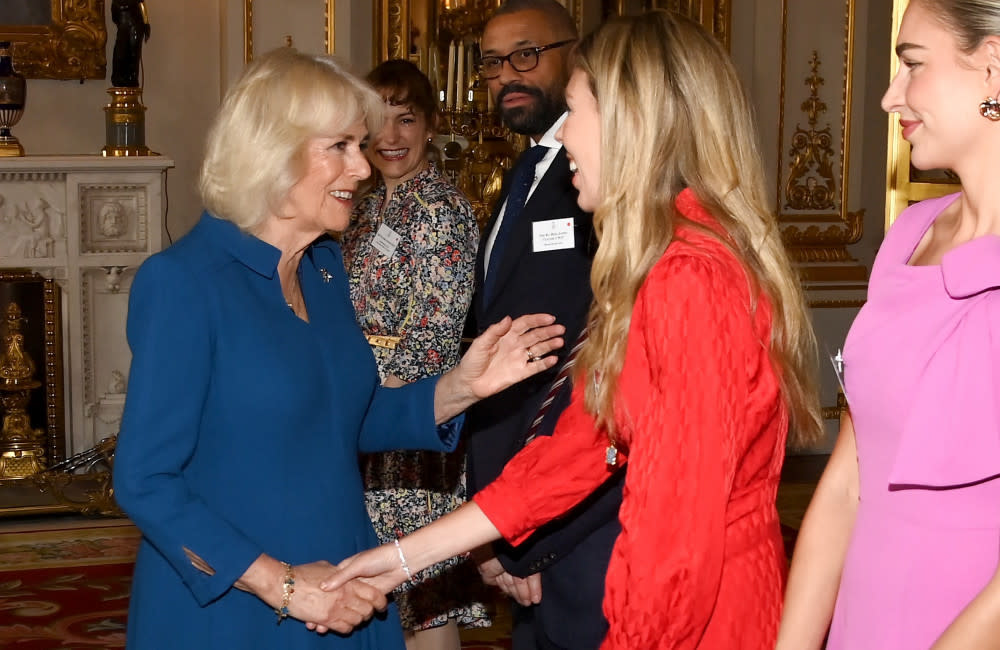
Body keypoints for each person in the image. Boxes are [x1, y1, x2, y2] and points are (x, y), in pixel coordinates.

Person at [326, 10, 823, 650]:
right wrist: (401, 558)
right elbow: (573, 454)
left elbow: (675, 548)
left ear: (630, 124)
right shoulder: (666, 262)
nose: (566, 136)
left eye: (577, 111)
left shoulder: (689, 279)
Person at [111, 47, 564, 650]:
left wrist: (463, 386)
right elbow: (145, 480)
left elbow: (348, 415)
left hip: (347, 582)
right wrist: (282, 585)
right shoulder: (186, 283)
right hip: (237, 603)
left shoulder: (323, 269)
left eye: (362, 145)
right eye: (342, 147)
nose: (364, 168)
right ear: (271, 150)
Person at [777, 1, 1000, 648]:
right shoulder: (909, 236)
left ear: (992, 69)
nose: (887, 97)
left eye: (913, 66)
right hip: (866, 615)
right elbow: (849, 479)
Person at [465, 1, 624, 648]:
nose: (509, 75)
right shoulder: (525, 174)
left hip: (575, 502)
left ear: (575, 53)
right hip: (520, 491)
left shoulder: (602, 184)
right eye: (493, 64)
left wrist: (528, 530)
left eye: (526, 55)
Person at [340, 59, 487, 650]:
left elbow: (435, 337)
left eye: (407, 120)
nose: (392, 138)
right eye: (380, 122)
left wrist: (358, 394)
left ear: (431, 125)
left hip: (412, 422)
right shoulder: (368, 207)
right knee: (381, 593)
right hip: (367, 422)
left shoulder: (443, 210)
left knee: (422, 594)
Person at [110, 0, 150, 87]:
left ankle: (132, 78)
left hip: (135, 26)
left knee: (134, 54)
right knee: (120, 53)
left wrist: (146, 24)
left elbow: (142, 8)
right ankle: (119, 78)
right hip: (123, 27)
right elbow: (114, 16)